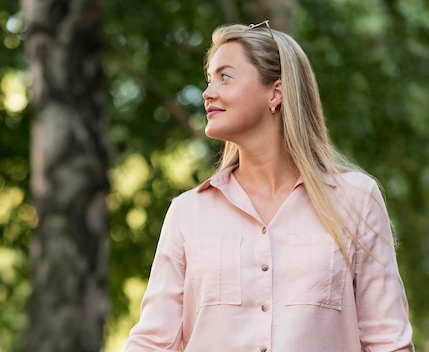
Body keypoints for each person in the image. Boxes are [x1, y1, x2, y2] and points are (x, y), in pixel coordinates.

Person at [124, 21, 415, 351]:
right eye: (209, 80)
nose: (207, 93)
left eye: (225, 77)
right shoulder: (188, 213)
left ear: (275, 92)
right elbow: (150, 343)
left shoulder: (356, 200)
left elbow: (388, 342)